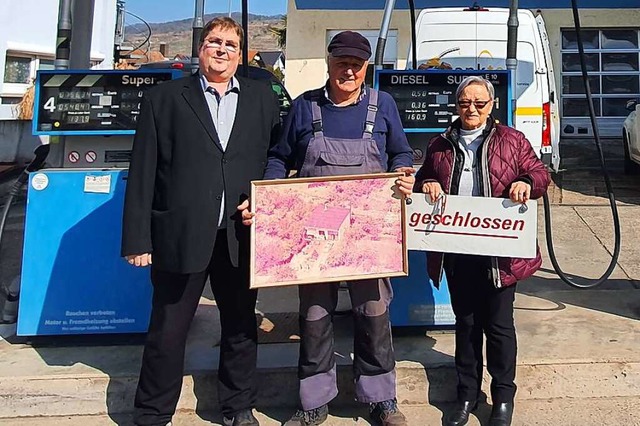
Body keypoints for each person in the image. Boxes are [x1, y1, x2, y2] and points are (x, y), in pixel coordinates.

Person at [121, 17, 281, 426]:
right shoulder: (166, 99)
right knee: (168, 331)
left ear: (241, 54)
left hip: (239, 235)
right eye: (214, 42)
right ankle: (153, 414)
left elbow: (278, 160)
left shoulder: (263, 99)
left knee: (242, 327)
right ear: (200, 48)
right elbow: (143, 173)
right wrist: (138, 240)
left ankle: (238, 408)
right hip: (180, 233)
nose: (222, 50)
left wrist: (270, 201)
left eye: (230, 44)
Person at [256, 31, 414, 426]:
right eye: (341, 62)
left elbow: (401, 152)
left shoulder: (384, 105)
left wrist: (405, 173)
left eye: (356, 64)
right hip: (314, 234)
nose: (348, 70)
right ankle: (312, 402)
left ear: (366, 69)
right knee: (314, 313)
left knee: (374, 311)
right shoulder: (304, 106)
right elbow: (279, 157)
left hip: (368, 232)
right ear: (329, 63)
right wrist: (272, 195)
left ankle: (381, 399)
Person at [413, 76, 551, 426]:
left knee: (500, 327)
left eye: (479, 103)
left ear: (492, 106)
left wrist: (525, 182)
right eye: (464, 103)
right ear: (456, 105)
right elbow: (423, 180)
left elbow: (540, 174)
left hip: (500, 254)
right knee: (467, 325)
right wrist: (426, 181)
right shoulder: (440, 144)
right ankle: (467, 394)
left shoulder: (512, 140)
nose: (471, 109)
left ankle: (503, 396)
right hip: (459, 250)